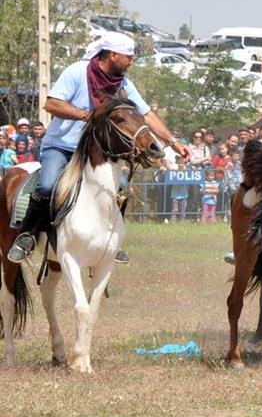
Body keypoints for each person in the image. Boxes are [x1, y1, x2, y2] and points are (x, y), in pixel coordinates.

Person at [7, 31, 189, 263]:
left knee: (121, 187)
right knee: (47, 185)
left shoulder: (123, 84)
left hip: (96, 151)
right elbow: (52, 104)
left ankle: (112, 240)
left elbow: (146, 114)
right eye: (128, 56)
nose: (131, 61)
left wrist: (173, 142)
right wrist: (86, 115)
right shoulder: (77, 72)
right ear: (113, 55)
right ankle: (27, 236)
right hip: (62, 146)